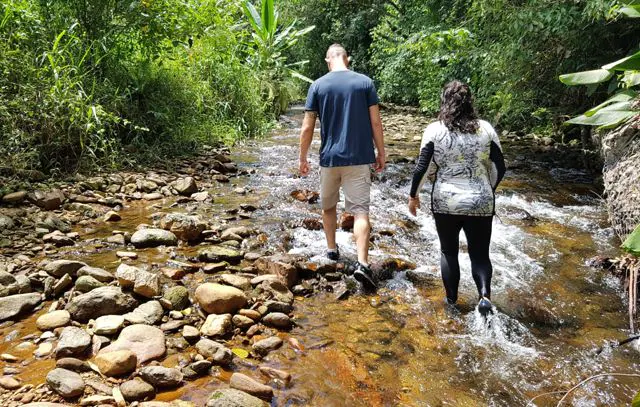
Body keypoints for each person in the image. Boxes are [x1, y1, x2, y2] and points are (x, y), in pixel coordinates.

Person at [408, 81, 506, 315]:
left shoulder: (435, 129)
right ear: (470, 102)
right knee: (480, 254)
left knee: (449, 252)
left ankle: (452, 301)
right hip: (481, 200)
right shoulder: (485, 129)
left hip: (446, 201)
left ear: (445, 102)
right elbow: (500, 166)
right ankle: (484, 297)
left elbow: (422, 166)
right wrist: (487, 189)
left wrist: (413, 195)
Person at [298, 44, 386, 291]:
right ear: (347, 58)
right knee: (360, 212)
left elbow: (307, 128)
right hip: (359, 158)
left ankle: (332, 250)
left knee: (328, 207)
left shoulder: (317, 86)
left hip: (329, 159)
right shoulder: (365, 83)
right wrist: (381, 152)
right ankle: (362, 262)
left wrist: (302, 157)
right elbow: (376, 122)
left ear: (328, 60)